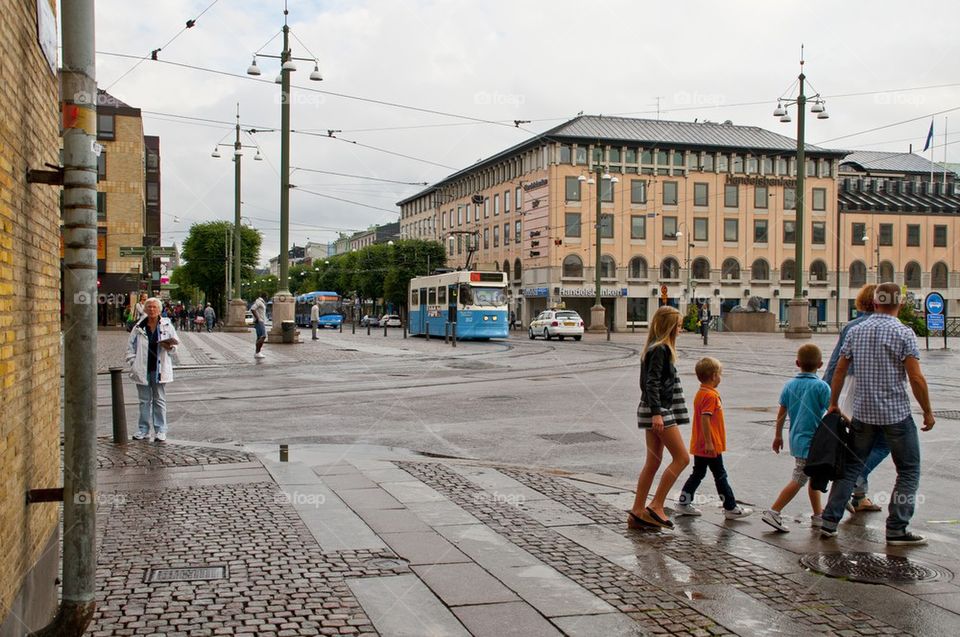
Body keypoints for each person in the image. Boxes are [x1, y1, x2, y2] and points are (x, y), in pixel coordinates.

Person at [820, 283, 935, 545]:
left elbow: (839, 370)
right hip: (896, 414)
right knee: (908, 470)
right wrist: (927, 411)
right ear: (901, 304)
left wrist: (834, 402)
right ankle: (896, 528)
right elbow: (915, 377)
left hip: (863, 413)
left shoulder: (857, 331)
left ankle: (829, 521)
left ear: (874, 302)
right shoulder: (903, 332)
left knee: (850, 468)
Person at [823, 284, 885, 513]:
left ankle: (860, 496)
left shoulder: (851, 326)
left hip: (849, 388)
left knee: (858, 443)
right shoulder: (886, 325)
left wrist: (828, 393)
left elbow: (836, 363)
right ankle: (852, 480)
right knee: (881, 443)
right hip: (872, 390)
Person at [628, 305, 690, 530]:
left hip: (654, 408)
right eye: (679, 326)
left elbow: (648, 382)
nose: (681, 330)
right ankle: (657, 505)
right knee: (682, 458)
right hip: (660, 410)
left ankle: (637, 512)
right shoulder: (661, 349)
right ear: (669, 326)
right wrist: (657, 413)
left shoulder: (654, 348)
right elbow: (651, 382)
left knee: (653, 462)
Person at [761, 344, 830, 532]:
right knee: (800, 478)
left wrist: (777, 436)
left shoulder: (789, 385)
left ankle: (818, 515)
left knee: (812, 475)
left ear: (797, 363)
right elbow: (832, 411)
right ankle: (773, 511)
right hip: (813, 441)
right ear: (821, 364)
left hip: (796, 438)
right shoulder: (822, 387)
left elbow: (782, 412)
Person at [675, 357, 752, 519]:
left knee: (698, 473)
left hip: (700, 443)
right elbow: (705, 418)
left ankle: (683, 502)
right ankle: (730, 507)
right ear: (714, 375)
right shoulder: (710, 396)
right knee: (720, 475)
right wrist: (709, 442)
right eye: (720, 374)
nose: (720, 377)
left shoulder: (701, 393)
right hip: (710, 444)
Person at [126, 297, 178, 442]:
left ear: (159, 309)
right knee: (144, 401)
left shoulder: (167, 325)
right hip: (142, 368)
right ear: (145, 309)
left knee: (159, 399)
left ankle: (161, 430)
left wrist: (171, 347)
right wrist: (133, 362)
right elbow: (130, 347)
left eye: (155, 307)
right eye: (149, 307)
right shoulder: (138, 327)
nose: (152, 309)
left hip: (159, 367)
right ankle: (143, 430)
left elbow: (175, 347)